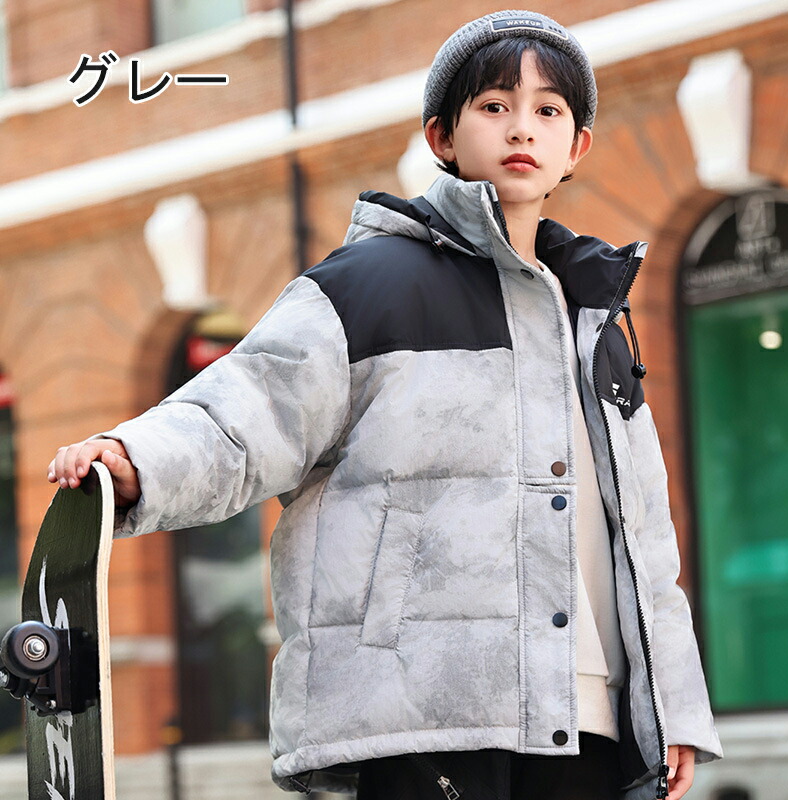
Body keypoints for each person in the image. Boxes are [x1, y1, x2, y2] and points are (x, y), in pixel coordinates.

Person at [48, 9, 724, 800]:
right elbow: (243, 414)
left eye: (548, 111)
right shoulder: (368, 288)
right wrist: (135, 460)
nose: (522, 128)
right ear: (442, 136)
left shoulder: (597, 322)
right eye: (495, 106)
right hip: (423, 711)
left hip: (588, 726)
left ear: (576, 147)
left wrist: (673, 706)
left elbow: (644, 537)